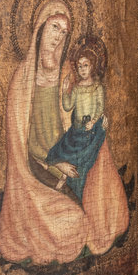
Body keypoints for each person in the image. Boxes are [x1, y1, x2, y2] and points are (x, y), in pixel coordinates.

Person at [0, 0, 128, 265]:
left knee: (101, 214)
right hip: (38, 169)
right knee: (71, 224)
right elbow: (20, 149)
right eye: (54, 27)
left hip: (71, 155)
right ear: (40, 29)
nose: (58, 37)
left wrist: (95, 129)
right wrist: (55, 164)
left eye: (64, 32)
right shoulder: (22, 80)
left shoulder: (68, 74)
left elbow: (77, 121)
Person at [47, 39, 108, 202]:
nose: (82, 69)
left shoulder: (97, 88)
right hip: (76, 131)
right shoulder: (77, 88)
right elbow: (67, 106)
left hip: (91, 131)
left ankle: (70, 183)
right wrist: (64, 90)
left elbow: (100, 107)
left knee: (83, 157)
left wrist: (93, 121)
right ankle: (64, 174)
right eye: (80, 66)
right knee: (61, 150)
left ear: (92, 66)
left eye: (85, 65)